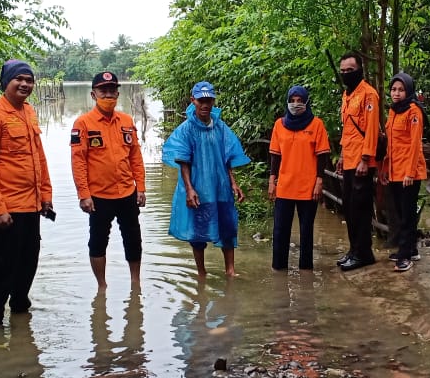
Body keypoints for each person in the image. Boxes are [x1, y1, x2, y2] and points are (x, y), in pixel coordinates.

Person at [0, 59, 53, 327]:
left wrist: (46, 196)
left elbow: (39, 158)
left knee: (28, 262)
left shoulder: (29, 112)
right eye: (18, 79)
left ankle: (21, 316)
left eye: (29, 80)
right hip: (6, 209)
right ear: (6, 82)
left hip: (31, 206)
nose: (25, 84)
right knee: (0, 267)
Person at [162, 81, 251, 277]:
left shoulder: (220, 127)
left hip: (220, 186)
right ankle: (201, 272)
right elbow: (182, 160)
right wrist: (189, 189)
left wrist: (233, 183)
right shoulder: (186, 129)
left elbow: (227, 157)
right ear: (193, 100)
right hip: (198, 188)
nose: (205, 105)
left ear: (213, 101)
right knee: (198, 231)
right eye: (201, 100)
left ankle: (230, 270)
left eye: (209, 100)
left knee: (227, 225)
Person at [70, 71, 146, 290]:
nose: (108, 95)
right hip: (98, 196)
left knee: (133, 239)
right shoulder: (83, 124)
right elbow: (78, 162)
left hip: (126, 193)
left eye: (112, 90)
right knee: (97, 242)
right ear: (93, 94)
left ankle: (135, 283)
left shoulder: (127, 120)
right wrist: (83, 195)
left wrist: (140, 187)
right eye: (103, 91)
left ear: (118, 94)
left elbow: (135, 157)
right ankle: (102, 286)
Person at [268, 86, 331, 270]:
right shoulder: (279, 125)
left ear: (306, 102)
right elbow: (275, 156)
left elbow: (322, 156)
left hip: (308, 187)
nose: (296, 104)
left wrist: (319, 181)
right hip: (285, 186)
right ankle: (278, 271)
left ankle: (306, 272)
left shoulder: (316, 124)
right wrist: (272, 181)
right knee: (280, 231)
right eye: (293, 100)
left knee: (306, 232)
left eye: (300, 100)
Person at [336, 52, 380, 271]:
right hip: (350, 159)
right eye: (343, 71)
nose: (346, 74)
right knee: (349, 208)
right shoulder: (347, 95)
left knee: (361, 210)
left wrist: (365, 159)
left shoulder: (368, 94)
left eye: (350, 70)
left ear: (359, 70)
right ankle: (354, 250)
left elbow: (371, 129)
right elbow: (348, 129)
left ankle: (363, 253)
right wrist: (343, 156)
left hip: (363, 162)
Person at [379, 73, 427, 272]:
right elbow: (391, 145)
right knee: (399, 212)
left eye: (401, 90)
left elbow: (415, 144)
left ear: (408, 91)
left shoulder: (413, 111)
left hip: (410, 172)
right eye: (393, 89)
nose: (396, 93)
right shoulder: (393, 112)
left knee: (407, 213)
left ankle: (405, 255)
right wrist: (384, 167)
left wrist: (410, 173)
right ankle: (410, 248)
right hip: (394, 170)